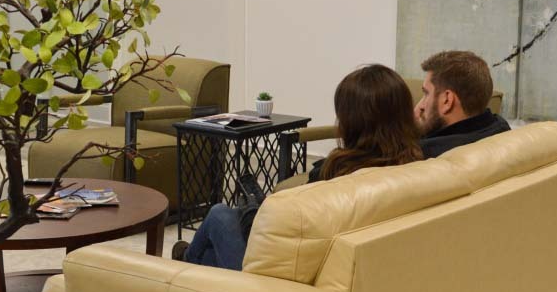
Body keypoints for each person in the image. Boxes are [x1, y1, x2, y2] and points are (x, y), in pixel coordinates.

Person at [173, 64, 425, 270]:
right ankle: (191, 262)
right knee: (219, 236)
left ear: (352, 121)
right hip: (318, 268)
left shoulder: (335, 173)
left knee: (219, 214)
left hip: (273, 282)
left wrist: (256, 213)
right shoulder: (415, 163)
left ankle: (185, 264)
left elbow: (289, 235)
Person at [413, 50, 510, 158]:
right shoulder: (502, 130)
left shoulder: (422, 154)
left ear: (447, 101)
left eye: (426, 93)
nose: (418, 107)